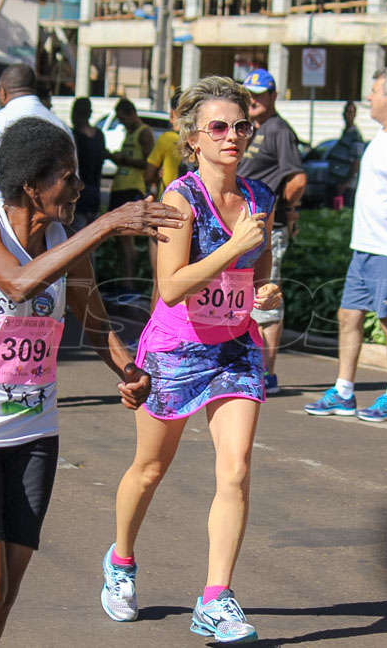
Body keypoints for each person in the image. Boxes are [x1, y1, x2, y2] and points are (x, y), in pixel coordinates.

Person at [0, 116, 185, 647]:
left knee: (4, 602)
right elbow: (19, 284)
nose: (79, 186)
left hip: (36, 434)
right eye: (68, 178)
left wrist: (129, 372)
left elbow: (94, 321)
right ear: (31, 185)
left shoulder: (67, 240)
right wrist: (109, 223)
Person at [100, 76, 281, 644]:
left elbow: (261, 269)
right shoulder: (178, 200)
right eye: (219, 127)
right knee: (150, 470)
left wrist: (265, 293)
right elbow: (171, 286)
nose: (233, 136)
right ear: (194, 138)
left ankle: (215, 598)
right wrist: (230, 249)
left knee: (236, 469)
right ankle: (120, 562)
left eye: (242, 126)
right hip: (176, 351)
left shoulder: (259, 199)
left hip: (235, 346)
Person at [303, 67, 387, 421]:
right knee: (349, 315)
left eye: (374, 91)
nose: (368, 98)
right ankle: (343, 392)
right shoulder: (383, 136)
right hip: (365, 247)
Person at [239, 68, 306, 395]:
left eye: (259, 94)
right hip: (243, 229)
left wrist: (288, 210)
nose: (252, 99)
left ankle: (268, 372)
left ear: (273, 96)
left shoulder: (279, 130)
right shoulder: (254, 128)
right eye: (248, 93)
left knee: (267, 298)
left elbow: (297, 179)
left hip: (269, 229)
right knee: (246, 296)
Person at [0, 63, 71, 228]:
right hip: (48, 226)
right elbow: (70, 182)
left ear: (2, 92)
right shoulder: (61, 126)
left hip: (4, 224)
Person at [107, 98, 154, 297]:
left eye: (122, 118)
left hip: (132, 189)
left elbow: (148, 162)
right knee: (118, 237)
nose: (122, 123)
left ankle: (130, 284)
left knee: (128, 238)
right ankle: (124, 281)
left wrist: (123, 159)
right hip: (119, 187)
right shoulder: (129, 133)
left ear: (131, 113)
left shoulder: (144, 132)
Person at [144, 88, 184, 306]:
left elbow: (148, 173)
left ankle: (154, 336)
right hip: (194, 214)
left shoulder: (167, 139)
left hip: (165, 213)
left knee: (160, 281)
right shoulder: (201, 141)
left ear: (172, 114)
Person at [69, 97, 106, 232]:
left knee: (76, 239)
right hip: (95, 195)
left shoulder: (74, 136)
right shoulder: (99, 135)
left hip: (77, 197)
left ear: (74, 113)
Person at [325, 100, 365, 207]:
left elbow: (356, 163)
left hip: (344, 187)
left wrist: (345, 184)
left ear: (355, 115)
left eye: (350, 112)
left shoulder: (355, 136)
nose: (347, 115)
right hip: (334, 181)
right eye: (346, 112)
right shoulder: (346, 133)